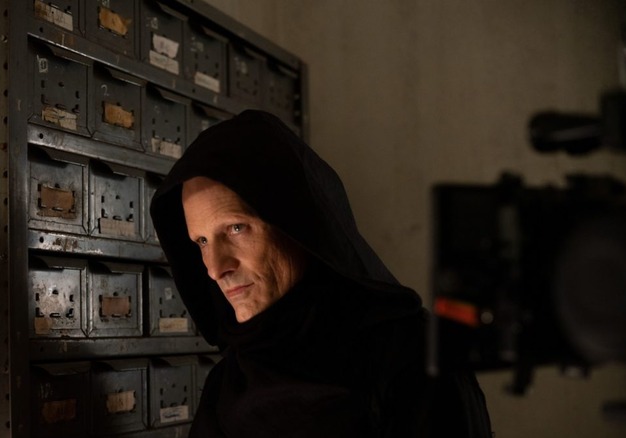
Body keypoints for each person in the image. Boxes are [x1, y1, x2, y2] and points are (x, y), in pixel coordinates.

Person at [150, 109, 492, 437]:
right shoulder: (230, 378)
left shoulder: (415, 357)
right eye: (202, 241)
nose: (215, 268)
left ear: (297, 225)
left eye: (236, 228)